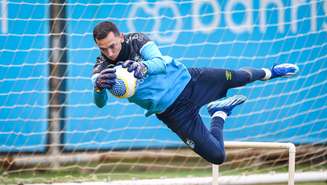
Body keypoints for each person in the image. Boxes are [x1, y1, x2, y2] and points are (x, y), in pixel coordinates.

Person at [91, 21, 299, 164]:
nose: (110, 53)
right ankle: (220, 112)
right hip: (173, 113)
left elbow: (160, 63)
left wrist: (144, 67)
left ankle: (271, 71)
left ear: (121, 36)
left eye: (113, 46)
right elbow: (100, 103)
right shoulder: (102, 69)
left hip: (191, 81)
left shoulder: (136, 39)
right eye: (104, 49)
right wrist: (99, 87)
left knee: (240, 77)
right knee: (217, 156)